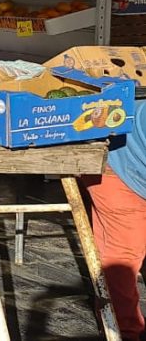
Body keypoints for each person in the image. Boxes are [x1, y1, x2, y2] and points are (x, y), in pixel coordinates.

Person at [84, 97, 146, 340]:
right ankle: (125, 331)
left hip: (121, 152)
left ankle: (111, 321)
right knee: (123, 255)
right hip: (117, 165)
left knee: (109, 250)